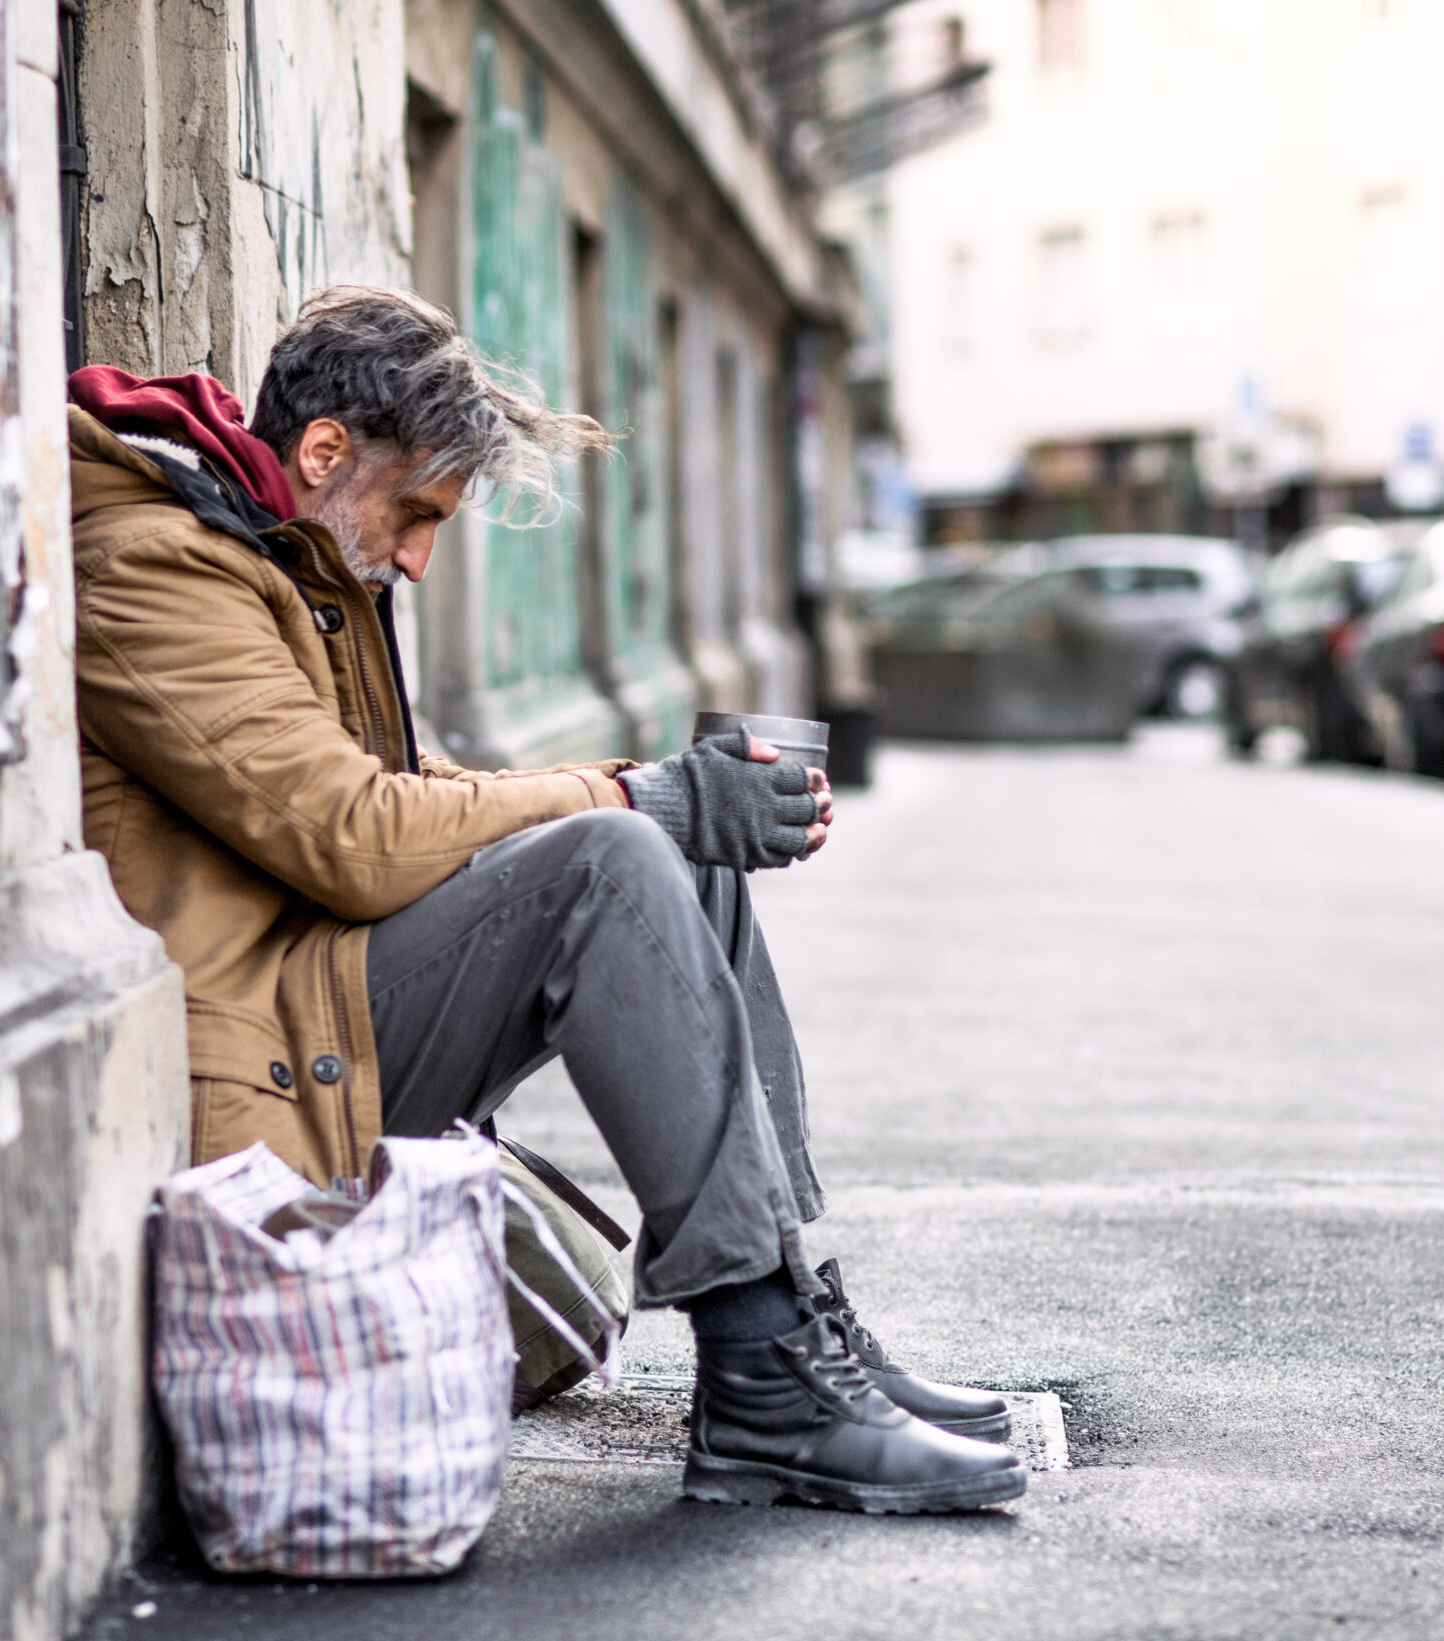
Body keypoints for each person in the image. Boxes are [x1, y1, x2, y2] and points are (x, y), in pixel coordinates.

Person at [67, 286, 1023, 1514]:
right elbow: (350, 836)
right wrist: (627, 798)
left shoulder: (269, 547)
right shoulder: (155, 566)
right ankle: (766, 1390)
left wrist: (666, 798)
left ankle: (791, 1325)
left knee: (674, 850)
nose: (417, 556)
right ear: (322, 452)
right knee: (613, 856)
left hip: (329, 999)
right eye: (415, 513)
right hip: (267, 1050)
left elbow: (399, 789)